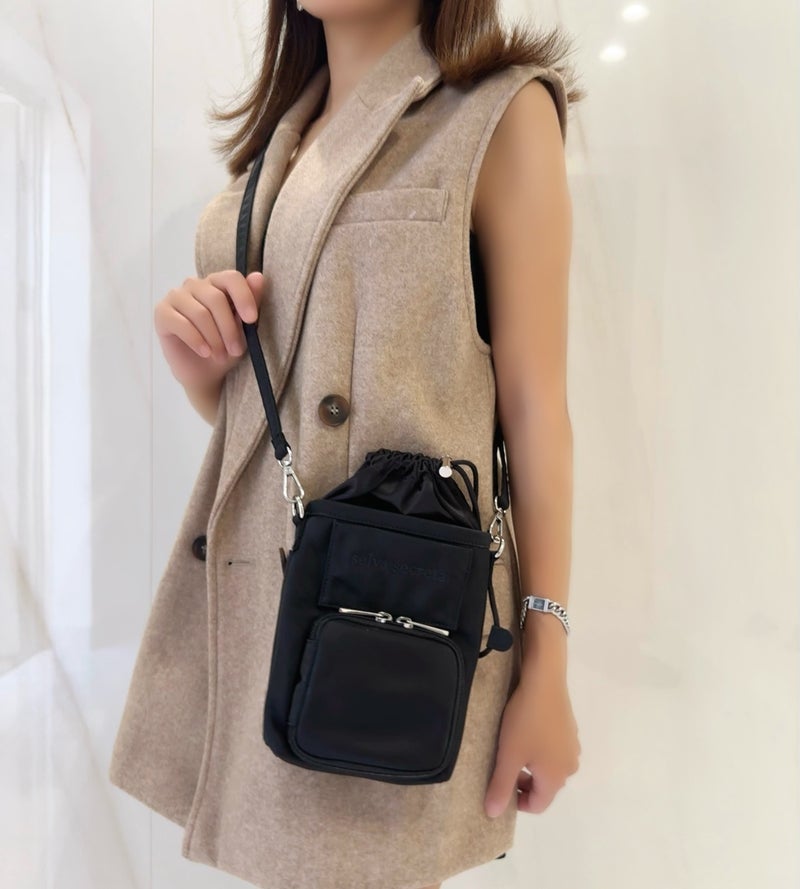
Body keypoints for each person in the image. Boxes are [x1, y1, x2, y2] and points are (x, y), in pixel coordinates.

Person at [141, 3, 583, 887]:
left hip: (384, 621)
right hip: (253, 609)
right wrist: (202, 371)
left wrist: (548, 656)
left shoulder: (497, 113)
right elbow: (277, 424)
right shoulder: (277, 146)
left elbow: (536, 411)